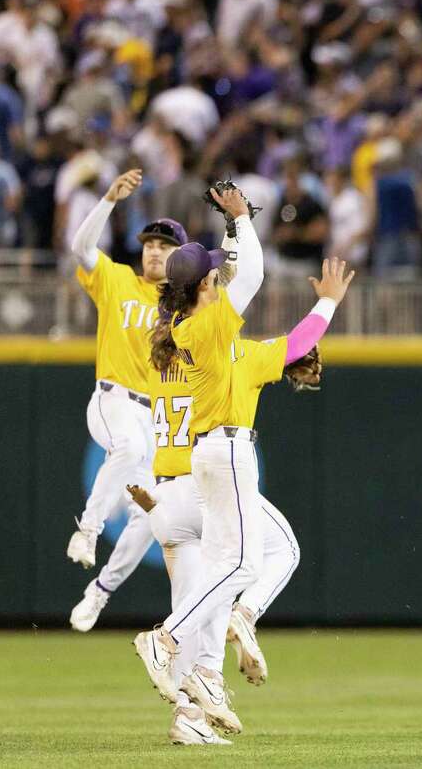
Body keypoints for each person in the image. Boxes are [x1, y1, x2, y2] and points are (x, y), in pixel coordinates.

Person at [133, 245, 352, 742]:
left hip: (170, 492)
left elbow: (274, 349)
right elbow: (286, 336)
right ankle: (175, 636)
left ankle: (194, 704)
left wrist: (286, 356)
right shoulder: (216, 337)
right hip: (210, 465)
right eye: (214, 277)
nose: (222, 281)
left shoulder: (173, 345)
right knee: (249, 565)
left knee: (212, 586)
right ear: (205, 289)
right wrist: (325, 306)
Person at [66, 169, 181, 630]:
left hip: (153, 418)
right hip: (111, 400)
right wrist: (110, 199)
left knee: (152, 517)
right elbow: (80, 248)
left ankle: (99, 592)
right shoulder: (116, 280)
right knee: (128, 448)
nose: (154, 250)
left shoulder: (186, 307)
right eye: (151, 243)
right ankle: (88, 529)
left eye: (165, 245)